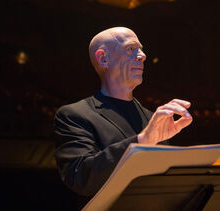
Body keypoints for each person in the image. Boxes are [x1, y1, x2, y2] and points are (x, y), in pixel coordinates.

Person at [54, 27, 192, 197]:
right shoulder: (74, 115)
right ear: (103, 58)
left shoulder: (153, 118)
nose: (143, 55)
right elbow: (80, 177)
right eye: (130, 48)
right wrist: (143, 141)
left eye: (141, 49)